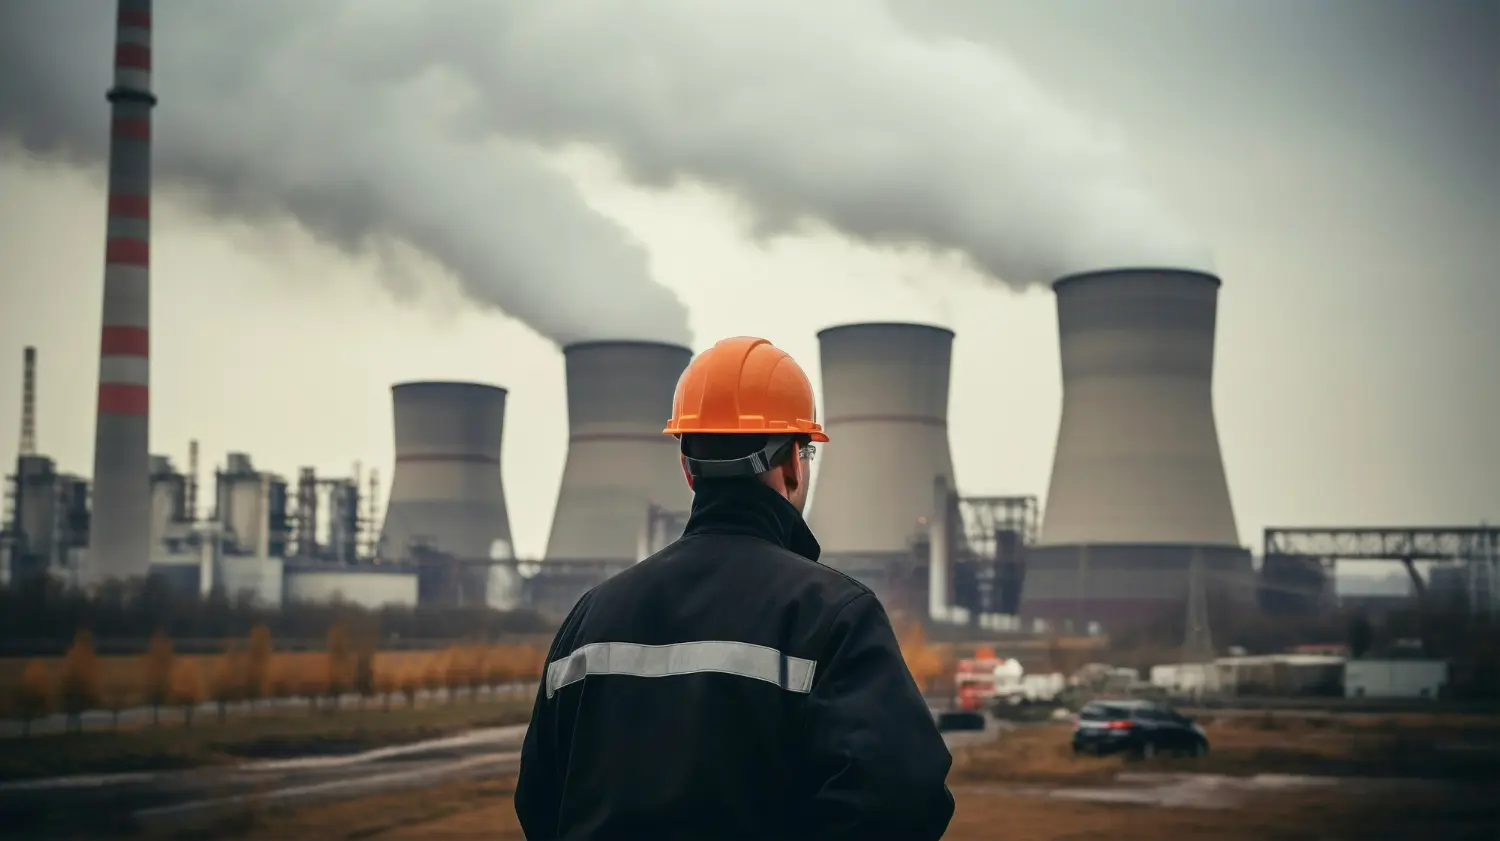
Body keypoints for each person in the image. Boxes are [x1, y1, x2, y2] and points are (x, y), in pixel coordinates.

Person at [515, 335, 955, 841]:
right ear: (793, 462)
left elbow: (539, 802)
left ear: (687, 468)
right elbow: (903, 800)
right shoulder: (830, 616)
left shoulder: (589, 621)